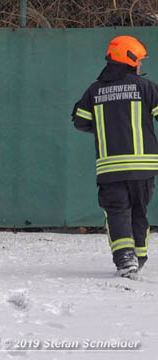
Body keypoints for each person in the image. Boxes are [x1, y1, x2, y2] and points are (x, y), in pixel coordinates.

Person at [72, 35, 158, 279]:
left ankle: (125, 260)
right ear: (129, 59)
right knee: (140, 211)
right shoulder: (147, 87)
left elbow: (80, 122)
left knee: (118, 212)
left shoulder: (95, 90)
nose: (140, 65)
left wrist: (104, 124)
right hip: (144, 168)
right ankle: (139, 257)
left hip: (111, 168)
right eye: (139, 60)